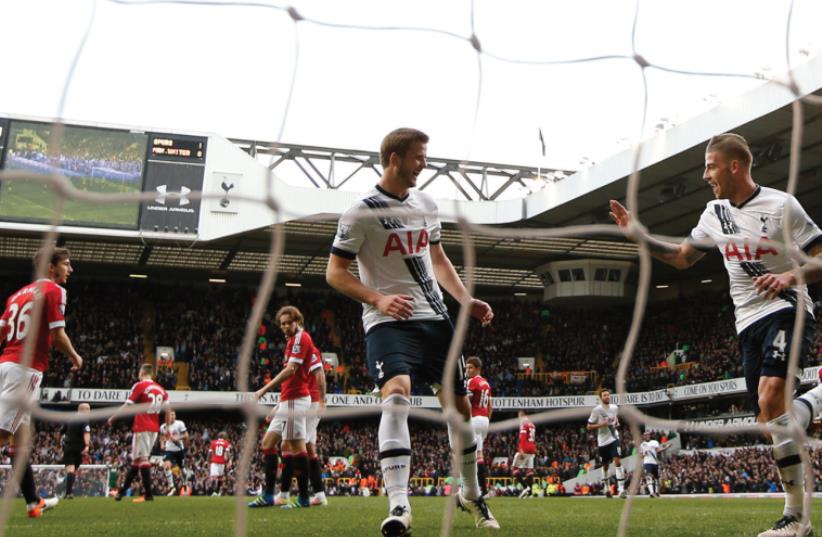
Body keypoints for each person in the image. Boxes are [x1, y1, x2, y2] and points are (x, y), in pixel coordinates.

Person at [610, 133, 822, 536]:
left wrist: (789, 275)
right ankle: (818, 398)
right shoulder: (713, 213)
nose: (705, 174)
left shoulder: (781, 205)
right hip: (746, 322)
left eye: (710, 165)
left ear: (734, 166)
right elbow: (681, 258)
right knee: (771, 420)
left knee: (770, 396)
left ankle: (796, 518)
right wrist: (639, 234)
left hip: (787, 308)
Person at [326, 127, 499, 536]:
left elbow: (437, 257)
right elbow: (335, 273)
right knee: (397, 392)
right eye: (419, 156)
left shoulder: (426, 203)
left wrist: (464, 300)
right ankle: (399, 505)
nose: (425, 163)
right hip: (388, 322)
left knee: (461, 415)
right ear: (395, 158)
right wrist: (377, 299)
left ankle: (471, 494)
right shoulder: (360, 213)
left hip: (436, 319)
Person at [0, 246, 83, 518]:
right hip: (24, 370)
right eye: (66, 264)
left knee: (21, 441)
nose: (69, 269)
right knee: (3, 434)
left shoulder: (17, 295)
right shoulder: (54, 291)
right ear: (51, 267)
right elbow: (58, 335)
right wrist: (74, 356)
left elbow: (2, 330)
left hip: (6, 365)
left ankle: (32, 501)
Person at [248, 305, 317, 509]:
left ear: (298, 321)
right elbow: (290, 378)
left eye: (289, 323)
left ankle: (304, 498)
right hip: (287, 400)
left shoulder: (301, 339)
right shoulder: (291, 341)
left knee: (297, 447)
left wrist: (264, 390)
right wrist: (278, 405)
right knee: (268, 444)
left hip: (296, 401)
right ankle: (268, 495)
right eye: (282, 324)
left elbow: (291, 371)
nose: (285, 327)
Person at [108, 363, 171, 503]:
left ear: (142, 373)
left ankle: (149, 494)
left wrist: (114, 416)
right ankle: (122, 492)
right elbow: (168, 410)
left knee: (143, 459)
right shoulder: (161, 389)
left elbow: (128, 404)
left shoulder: (140, 386)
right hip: (154, 429)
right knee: (137, 461)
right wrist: (167, 429)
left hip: (142, 426)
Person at [587, 389, 625, 498]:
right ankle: (606, 488)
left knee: (617, 462)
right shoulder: (596, 410)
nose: (607, 397)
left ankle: (621, 490)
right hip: (603, 441)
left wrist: (617, 423)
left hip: (614, 438)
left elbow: (615, 419)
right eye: (605, 395)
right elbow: (588, 426)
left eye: (608, 395)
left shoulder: (614, 407)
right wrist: (601, 425)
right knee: (605, 466)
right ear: (601, 397)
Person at [466, 357, 492, 497]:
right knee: (479, 454)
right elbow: (490, 406)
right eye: (466, 368)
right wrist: (487, 419)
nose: (467, 371)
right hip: (485, 420)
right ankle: (481, 488)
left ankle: (481, 490)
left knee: (473, 455)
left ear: (477, 368)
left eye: (470, 368)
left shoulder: (473, 381)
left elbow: (467, 402)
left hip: (474, 419)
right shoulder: (486, 383)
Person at [306, 344, 328, 506]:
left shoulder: (310, 349)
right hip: (309, 401)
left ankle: (294, 493)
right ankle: (319, 494)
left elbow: (320, 374)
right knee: (308, 447)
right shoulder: (294, 348)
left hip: (311, 402)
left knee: (297, 444)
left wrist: (322, 399)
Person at [62, 403, 91, 499]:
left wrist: (59, 444)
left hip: (68, 447)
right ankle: (68, 492)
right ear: (83, 410)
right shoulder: (84, 420)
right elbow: (86, 433)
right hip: (79, 448)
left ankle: (68, 493)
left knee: (70, 470)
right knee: (73, 470)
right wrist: (87, 446)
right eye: (88, 409)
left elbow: (61, 431)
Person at [159, 409, 189, 496]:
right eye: (170, 415)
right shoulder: (163, 426)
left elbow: (186, 435)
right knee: (166, 466)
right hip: (169, 450)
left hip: (179, 450)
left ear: (175, 416)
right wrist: (162, 444)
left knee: (183, 470)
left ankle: (184, 482)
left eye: (173, 415)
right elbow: (161, 436)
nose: (172, 416)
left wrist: (178, 438)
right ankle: (172, 487)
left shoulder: (180, 424)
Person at [639, 431, 670, 498]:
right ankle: (651, 493)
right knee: (648, 476)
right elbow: (641, 456)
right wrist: (644, 454)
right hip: (647, 462)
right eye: (645, 435)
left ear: (650, 435)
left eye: (648, 435)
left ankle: (657, 492)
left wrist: (666, 448)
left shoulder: (655, 442)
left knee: (656, 478)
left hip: (654, 462)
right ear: (644, 436)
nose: (647, 436)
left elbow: (658, 450)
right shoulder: (642, 445)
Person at [513, 411, 536, 499]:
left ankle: (526, 487)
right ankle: (530, 493)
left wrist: (521, 450)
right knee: (529, 470)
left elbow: (522, 437)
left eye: (518, 416)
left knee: (515, 469)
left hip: (525, 448)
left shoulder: (523, 423)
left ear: (522, 415)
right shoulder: (532, 424)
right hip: (532, 448)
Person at [208, 431, 232, 496]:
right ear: (224, 437)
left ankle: (212, 492)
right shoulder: (226, 443)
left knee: (213, 477)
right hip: (222, 462)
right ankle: (217, 492)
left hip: (214, 462)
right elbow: (227, 453)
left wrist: (208, 461)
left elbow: (210, 453)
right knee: (220, 478)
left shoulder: (213, 442)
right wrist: (229, 461)